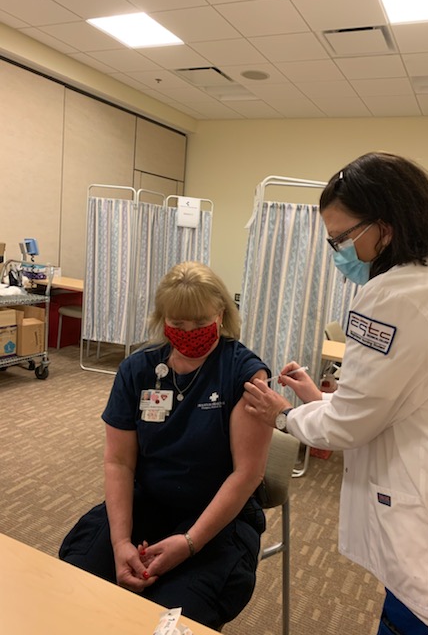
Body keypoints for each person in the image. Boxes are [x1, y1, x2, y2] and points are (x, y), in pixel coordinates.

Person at [243, 152, 428, 635]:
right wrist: (320, 398)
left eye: (341, 239)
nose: (337, 253)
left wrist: (284, 414)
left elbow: (352, 424)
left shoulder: (395, 294)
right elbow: (407, 396)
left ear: (385, 227)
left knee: (420, 616)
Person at [60, 261, 273, 630]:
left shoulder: (243, 373)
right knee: (76, 585)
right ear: (162, 320)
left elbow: (247, 473)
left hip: (220, 517)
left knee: (169, 619)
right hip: (149, 501)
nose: (189, 332)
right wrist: (120, 542)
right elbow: (119, 463)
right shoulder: (138, 370)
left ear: (221, 315)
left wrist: (189, 543)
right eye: (177, 324)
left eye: (200, 322)